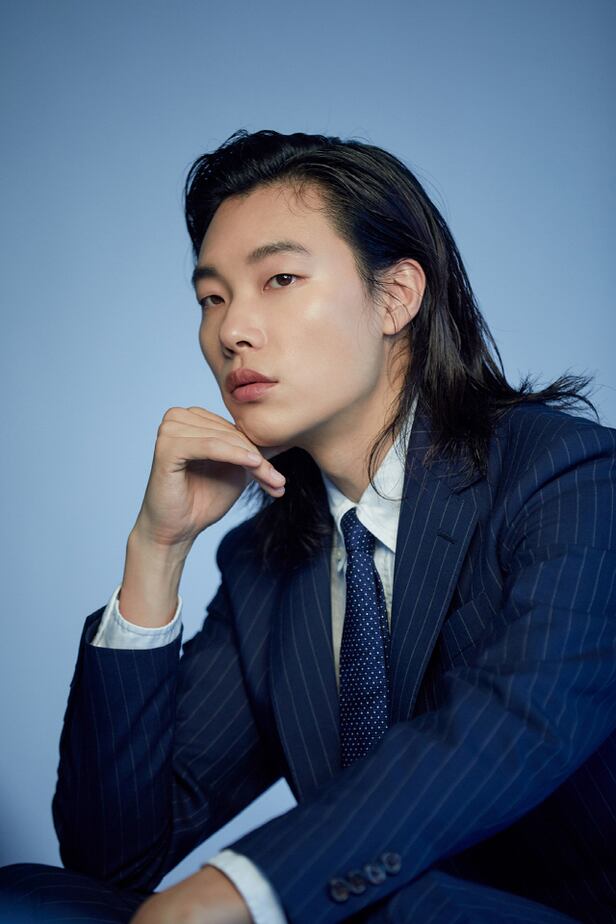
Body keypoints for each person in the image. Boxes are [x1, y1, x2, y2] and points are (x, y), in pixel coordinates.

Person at [1, 129, 615, 924]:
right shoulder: (265, 567)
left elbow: (514, 724)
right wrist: (156, 551)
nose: (232, 330)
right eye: (212, 298)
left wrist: (253, 886)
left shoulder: (569, 475)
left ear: (395, 297)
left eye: (280, 279)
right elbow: (113, 856)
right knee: (26, 897)